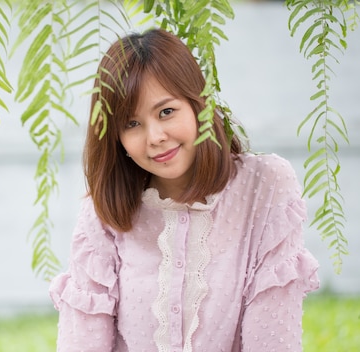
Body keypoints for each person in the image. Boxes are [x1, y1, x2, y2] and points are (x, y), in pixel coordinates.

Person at [48, 28, 320, 352]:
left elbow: (274, 341)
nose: (155, 137)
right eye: (131, 123)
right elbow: (83, 342)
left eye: (166, 111)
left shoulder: (265, 186)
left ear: (198, 104)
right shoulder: (104, 209)